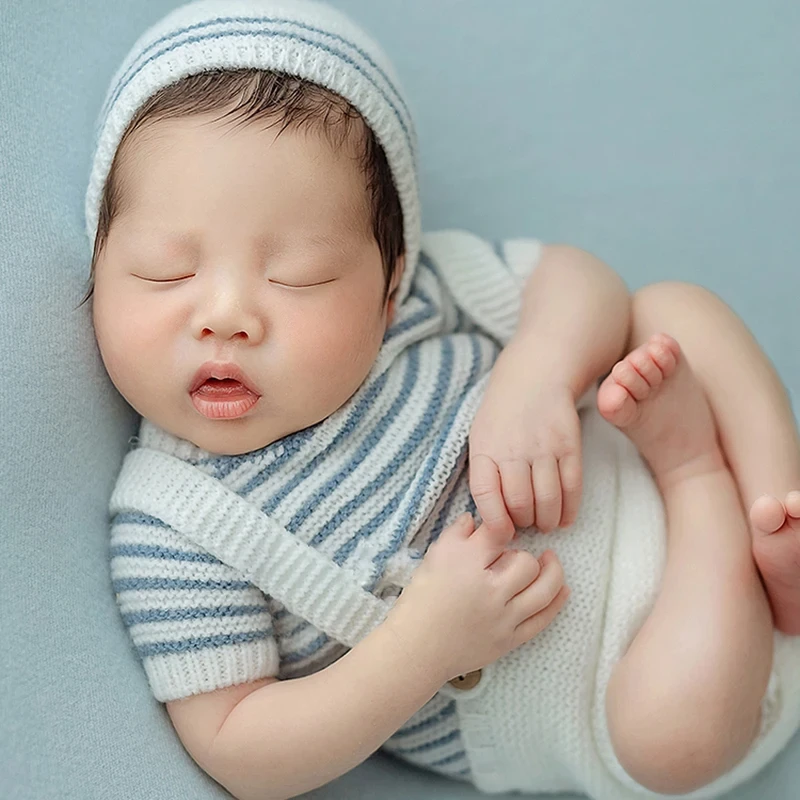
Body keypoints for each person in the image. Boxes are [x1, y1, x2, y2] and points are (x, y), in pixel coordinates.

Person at [82, 1, 800, 798]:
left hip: (634, 456)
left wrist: (539, 373)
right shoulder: (176, 524)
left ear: (389, 289)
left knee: (674, 308)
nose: (224, 316)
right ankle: (700, 480)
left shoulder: (432, 295)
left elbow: (579, 278)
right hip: (670, 684)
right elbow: (239, 746)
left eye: (300, 276)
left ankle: (778, 520)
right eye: (163, 271)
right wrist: (422, 646)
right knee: (670, 739)